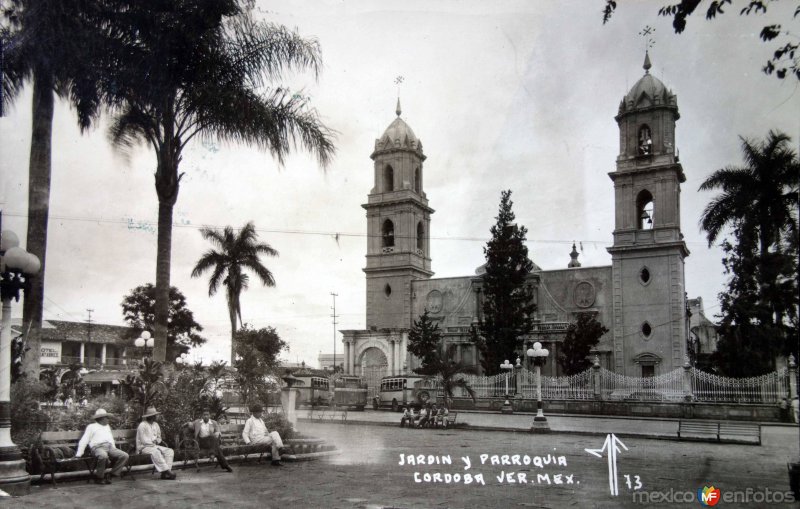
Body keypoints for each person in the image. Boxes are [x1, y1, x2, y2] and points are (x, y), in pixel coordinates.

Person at [76, 408, 129, 484]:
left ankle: (112, 474)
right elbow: (84, 440)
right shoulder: (91, 427)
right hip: (97, 447)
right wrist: (79, 453)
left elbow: (110, 439)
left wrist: (113, 449)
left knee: (125, 455)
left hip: (109, 447)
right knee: (103, 456)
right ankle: (99, 477)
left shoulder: (107, 426)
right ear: (101, 418)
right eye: (106, 417)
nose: (108, 419)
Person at [136, 406, 177, 480]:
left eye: (155, 415)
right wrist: (154, 444)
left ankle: (164, 474)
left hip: (154, 446)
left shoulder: (156, 425)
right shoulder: (142, 425)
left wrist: (157, 441)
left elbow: (159, 437)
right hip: (143, 447)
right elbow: (143, 441)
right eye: (155, 415)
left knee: (170, 451)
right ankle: (167, 471)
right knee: (156, 452)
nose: (156, 416)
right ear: (151, 416)